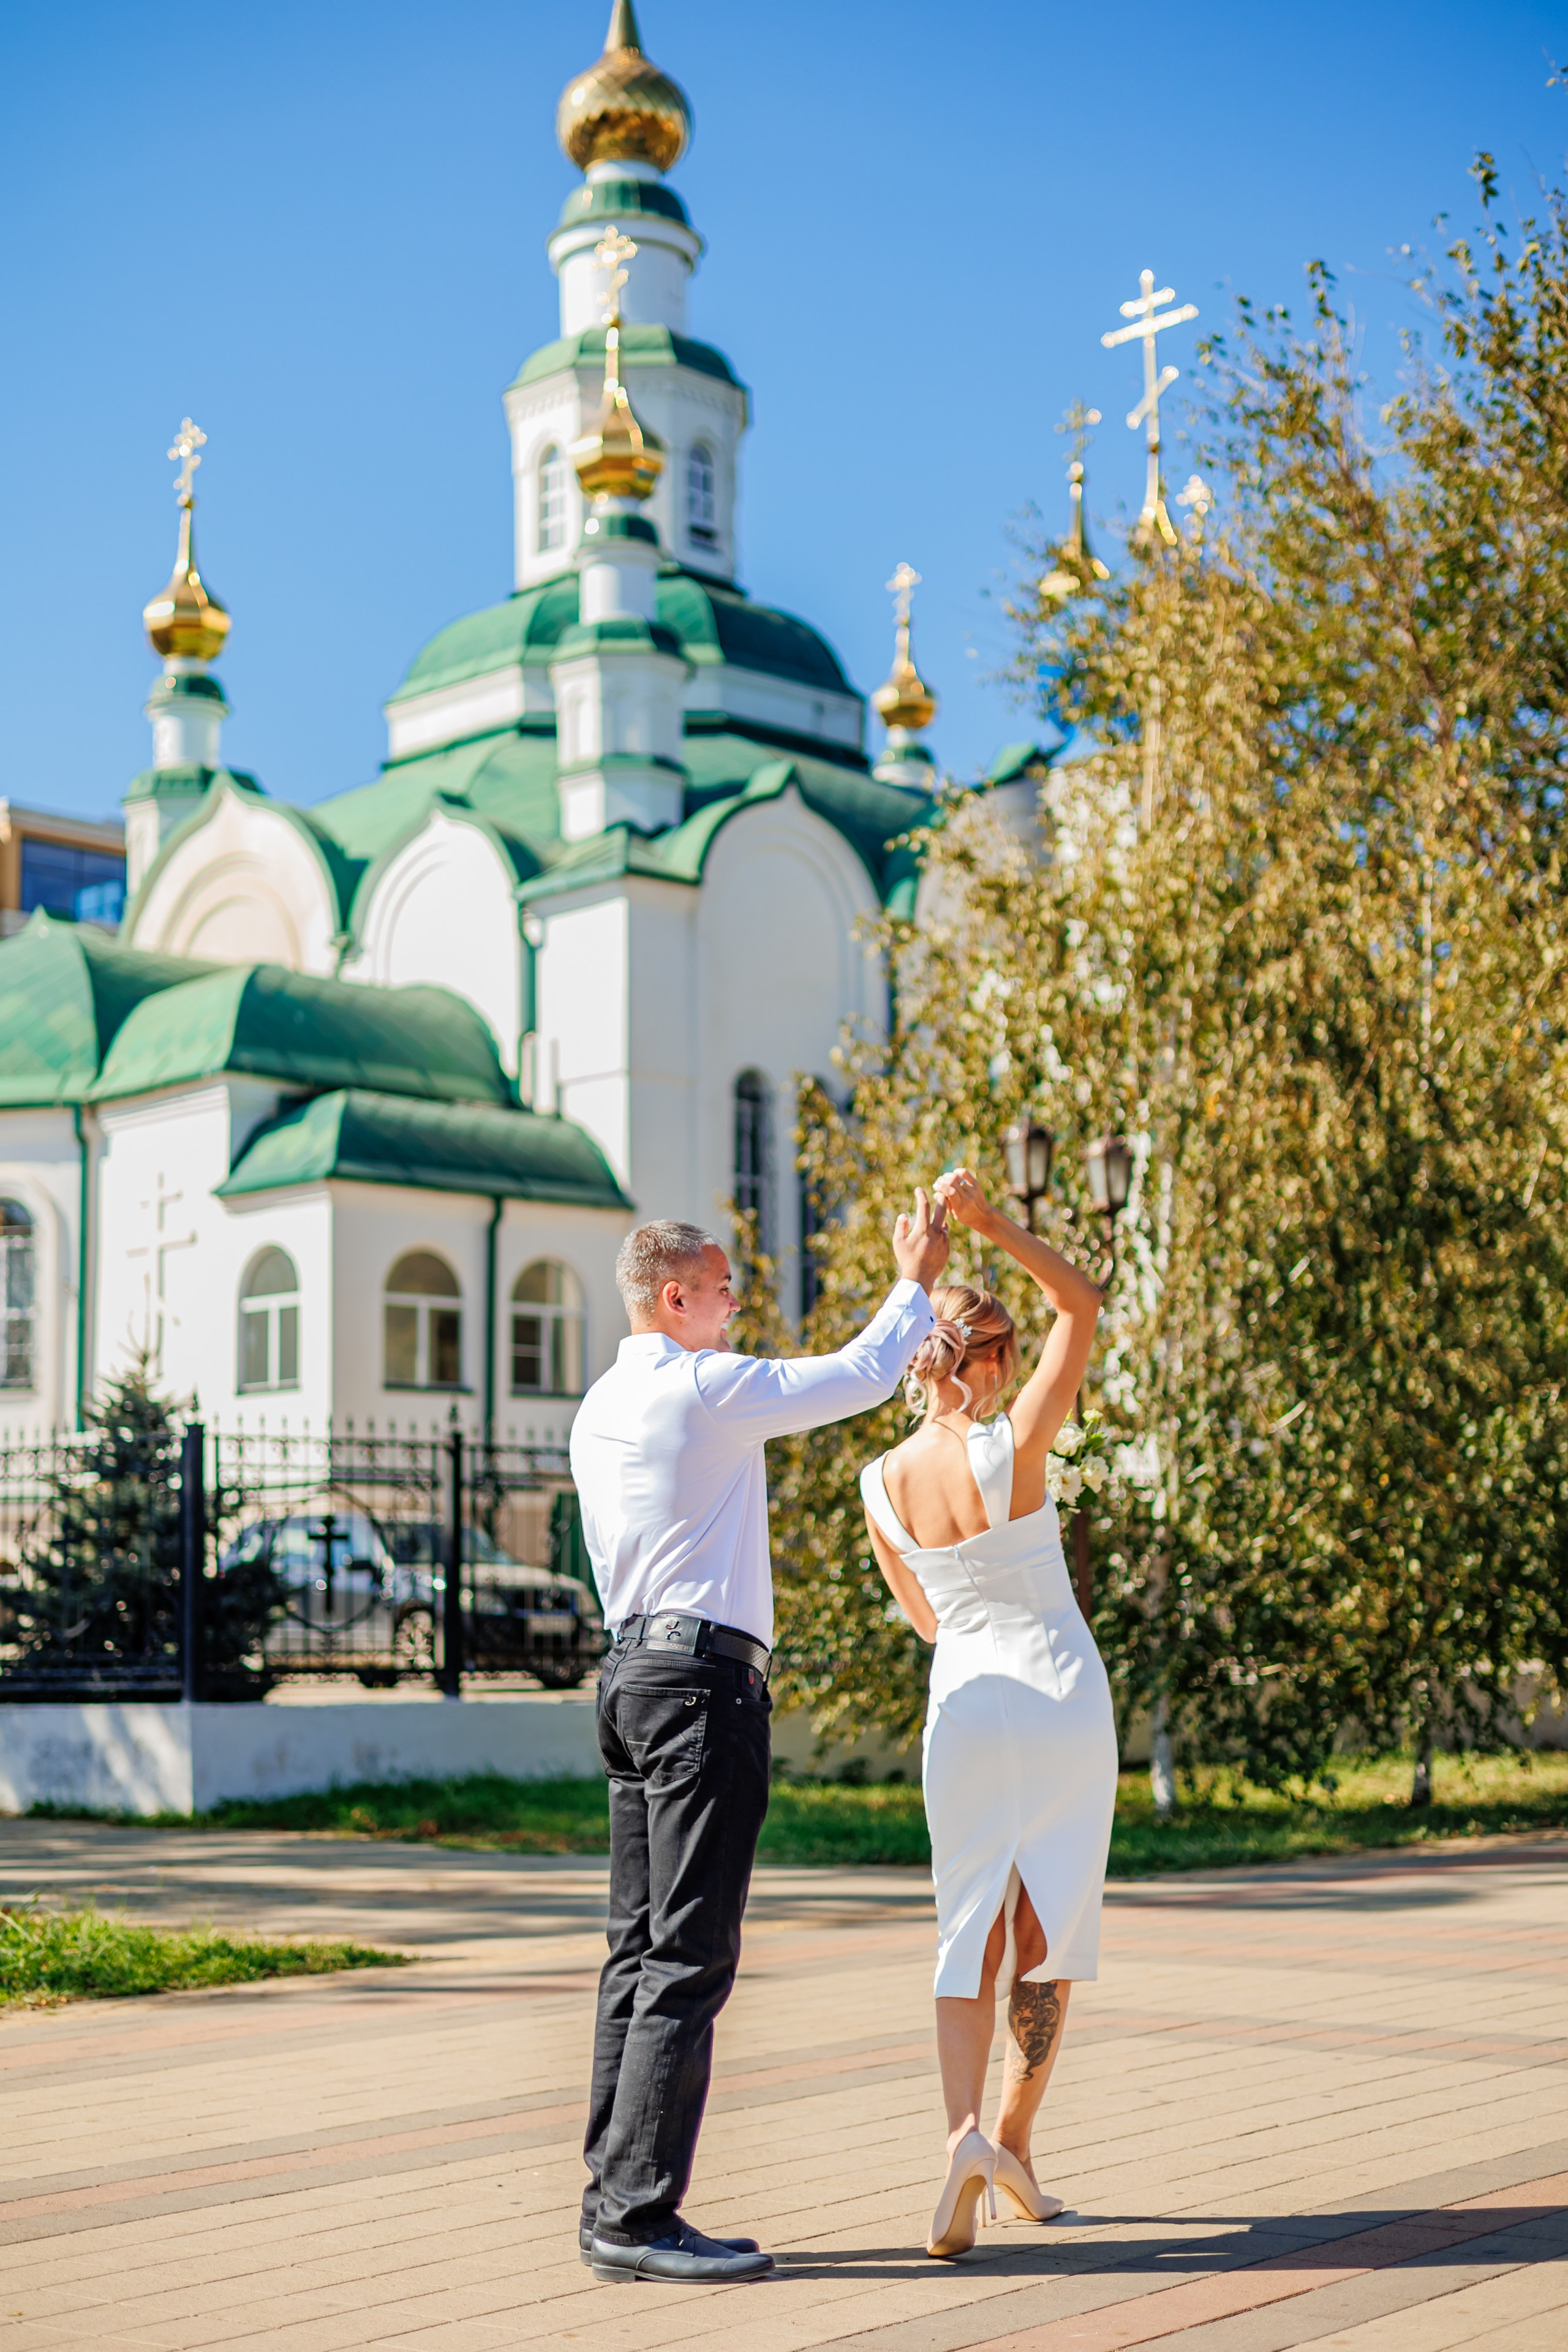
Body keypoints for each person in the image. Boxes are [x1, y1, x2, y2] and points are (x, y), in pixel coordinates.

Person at [570, 1195, 948, 2285]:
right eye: (726, 1288)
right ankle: (639, 2219)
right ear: (674, 1296)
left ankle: (614, 2199)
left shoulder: (597, 1408)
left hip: (631, 1679)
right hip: (699, 1692)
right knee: (689, 1953)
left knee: (636, 1953)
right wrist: (914, 1271)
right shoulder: (703, 1385)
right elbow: (864, 1374)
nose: (738, 1305)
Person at [859, 1166, 1116, 2260]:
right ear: (997, 1359)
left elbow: (925, 1620)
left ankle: (965, 2137)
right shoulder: (1016, 1445)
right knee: (1045, 1925)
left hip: (964, 1704)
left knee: (965, 1929)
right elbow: (1083, 1301)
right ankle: (1016, 2137)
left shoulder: (877, 1484)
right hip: (1058, 1691)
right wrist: (990, 1224)